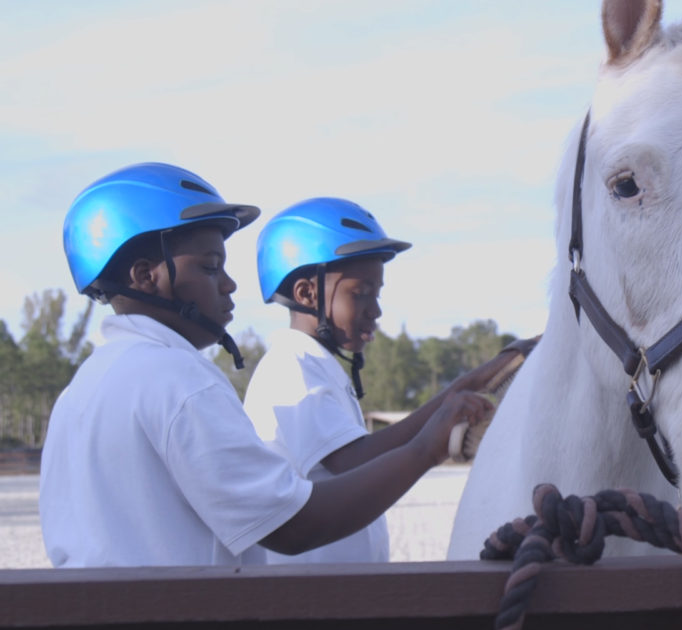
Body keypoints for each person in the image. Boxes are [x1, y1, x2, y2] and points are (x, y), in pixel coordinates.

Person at [40, 162, 492, 567]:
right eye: (211, 266)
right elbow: (294, 527)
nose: (230, 284)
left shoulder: (82, 390)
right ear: (145, 277)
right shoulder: (175, 379)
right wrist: (426, 450)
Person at [245, 197, 533, 563]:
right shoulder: (291, 368)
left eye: (377, 294)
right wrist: (444, 422)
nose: (376, 310)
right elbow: (354, 463)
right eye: (361, 293)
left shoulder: (316, 366)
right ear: (306, 293)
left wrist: (482, 377)